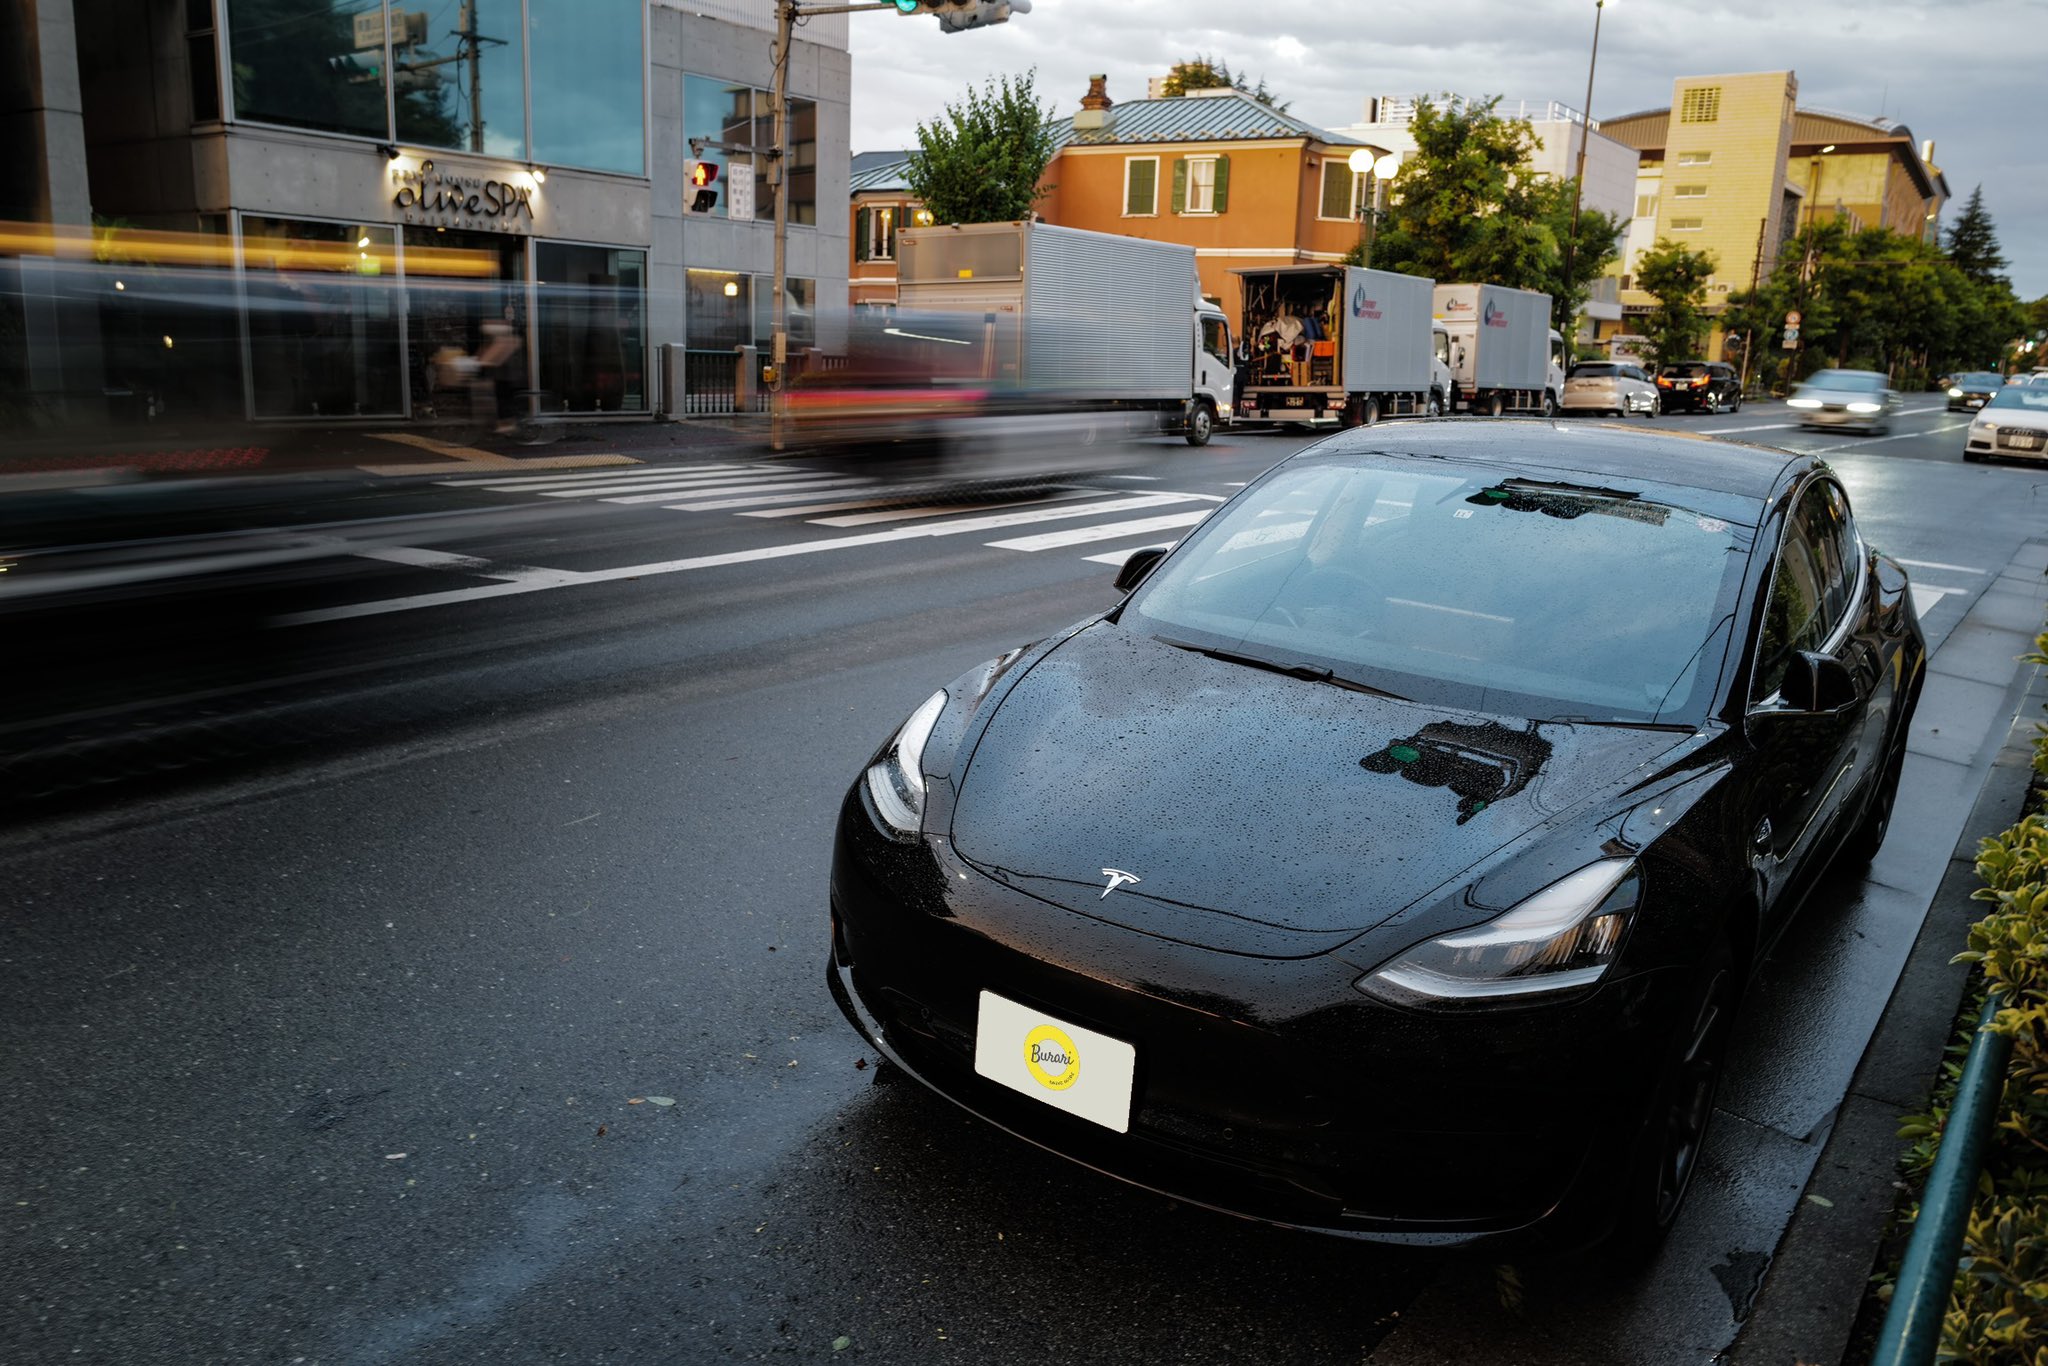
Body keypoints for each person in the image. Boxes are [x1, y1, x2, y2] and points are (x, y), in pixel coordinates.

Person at [476, 307, 524, 434]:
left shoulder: (506, 340)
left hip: (506, 376)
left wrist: (482, 360)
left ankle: (507, 423)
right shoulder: (502, 340)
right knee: (502, 398)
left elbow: (494, 358)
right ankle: (506, 423)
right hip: (503, 375)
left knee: (503, 399)